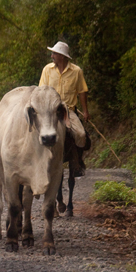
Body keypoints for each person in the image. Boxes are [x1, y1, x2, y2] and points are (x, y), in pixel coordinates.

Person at [39, 41, 90, 176]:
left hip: (68, 110)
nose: (52, 56)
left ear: (62, 56)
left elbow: (82, 91)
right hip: (50, 111)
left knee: (81, 134)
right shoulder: (47, 70)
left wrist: (85, 111)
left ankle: (77, 161)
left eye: (54, 53)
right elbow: (41, 91)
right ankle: (38, 162)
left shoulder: (76, 71)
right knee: (36, 133)